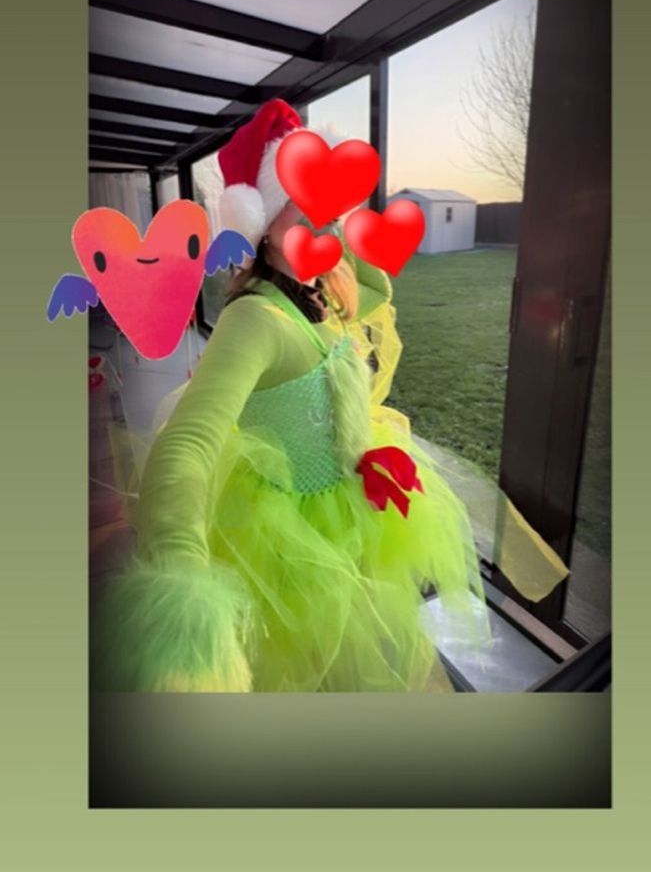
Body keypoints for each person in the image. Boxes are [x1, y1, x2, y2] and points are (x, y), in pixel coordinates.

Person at [90, 99, 566, 693]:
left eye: (330, 208)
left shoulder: (320, 299)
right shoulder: (254, 321)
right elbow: (187, 442)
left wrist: (349, 232)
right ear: (262, 226)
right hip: (293, 543)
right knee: (313, 668)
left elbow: (374, 291)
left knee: (366, 650)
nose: (325, 222)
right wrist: (183, 572)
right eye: (302, 206)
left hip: (348, 511)